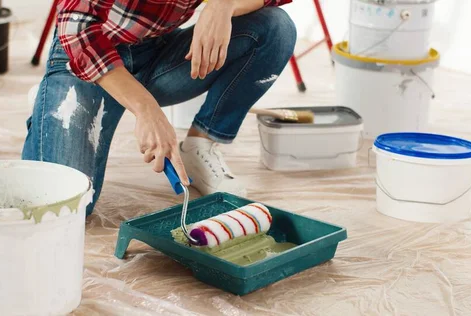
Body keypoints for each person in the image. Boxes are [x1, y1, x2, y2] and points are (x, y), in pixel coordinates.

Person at [22, 0, 296, 216]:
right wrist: (146, 108)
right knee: (68, 206)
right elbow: (77, 29)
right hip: (87, 55)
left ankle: (200, 147)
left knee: (275, 27)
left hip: (155, 51)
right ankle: (55, 107)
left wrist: (224, 4)